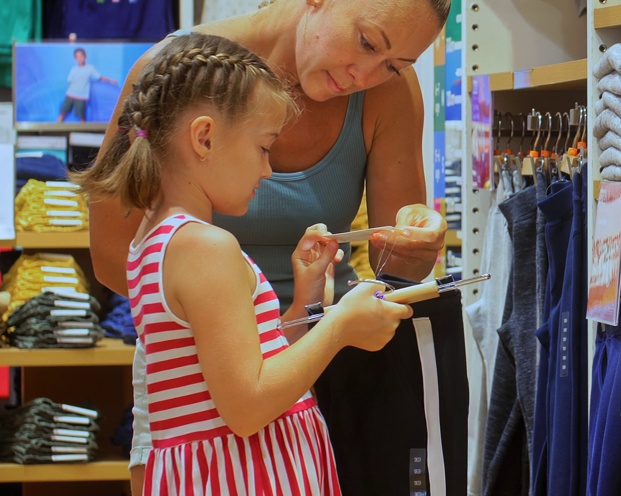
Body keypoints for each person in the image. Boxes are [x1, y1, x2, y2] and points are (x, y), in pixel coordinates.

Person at [85, 0, 454, 493]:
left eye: (395, 64)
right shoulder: (177, 74)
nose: (368, 75)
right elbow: (113, 255)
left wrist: (416, 241)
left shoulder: (388, 92)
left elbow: (395, 267)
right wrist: (226, 320)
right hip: (210, 371)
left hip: (308, 364)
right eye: (365, 42)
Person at [74, 32, 414, 494]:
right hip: (245, 474)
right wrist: (341, 328)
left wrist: (305, 299)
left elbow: (239, 369)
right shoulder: (206, 248)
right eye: (263, 147)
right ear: (205, 138)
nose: (268, 170)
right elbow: (248, 406)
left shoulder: (154, 240)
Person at [58, 47, 117, 122]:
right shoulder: (74, 69)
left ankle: (82, 133)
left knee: (82, 118)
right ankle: (54, 131)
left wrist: (111, 80)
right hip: (70, 95)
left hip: (81, 97)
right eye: (77, 57)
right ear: (75, 58)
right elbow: (69, 81)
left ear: (85, 56)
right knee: (62, 114)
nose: (79, 58)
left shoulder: (90, 68)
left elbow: (99, 77)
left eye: (81, 56)